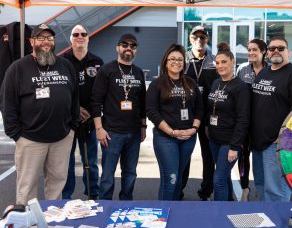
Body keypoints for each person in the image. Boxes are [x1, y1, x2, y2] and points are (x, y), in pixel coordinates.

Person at [0, 23, 79, 205]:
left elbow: (74, 99)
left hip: (61, 138)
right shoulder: (17, 68)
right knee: (27, 189)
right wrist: (16, 134)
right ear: (32, 41)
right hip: (30, 139)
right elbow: (7, 102)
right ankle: (28, 227)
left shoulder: (65, 66)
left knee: (57, 186)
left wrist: (72, 128)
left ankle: (53, 224)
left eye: (50, 38)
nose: (46, 42)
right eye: (41, 38)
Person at [251, 36, 292, 202]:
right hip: (258, 142)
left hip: (277, 143)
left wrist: (284, 136)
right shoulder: (265, 71)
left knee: (276, 191)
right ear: (267, 52)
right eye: (272, 48)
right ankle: (266, 221)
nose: (276, 51)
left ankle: (277, 225)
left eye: (280, 48)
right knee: (261, 185)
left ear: (288, 52)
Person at [91, 33, 146, 200]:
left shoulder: (138, 72)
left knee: (130, 174)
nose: (129, 47)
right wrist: (99, 129)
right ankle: (105, 205)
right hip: (111, 133)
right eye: (125, 44)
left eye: (133, 45)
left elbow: (142, 102)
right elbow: (95, 101)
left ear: (136, 50)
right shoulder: (107, 70)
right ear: (118, 48)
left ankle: (125, 204)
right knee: (107, 176)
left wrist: (143, 127)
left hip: (134, 132)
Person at [146, 44, 203, 200]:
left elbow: (199, 108)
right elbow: (152, 112)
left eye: (180, 59)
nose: (176, 62)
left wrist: (194, 129)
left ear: (184, 63)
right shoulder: (157, 84)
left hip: (188, 138)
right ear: (166, 61)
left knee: (179, 180)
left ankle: (175, 213)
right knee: (170, 179)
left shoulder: (191, 83)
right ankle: (163, 216)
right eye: (172, 59)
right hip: (166, 138)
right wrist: (171, 131)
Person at [62, 24, 104, 200]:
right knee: (66, 163)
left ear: (88, 38)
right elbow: (60, 91)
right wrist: (75, 109)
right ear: (70, 39)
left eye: (83, 34)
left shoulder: (97, 62)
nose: (80, 36)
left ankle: (93, 194)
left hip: (89, 122)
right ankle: (66, 196)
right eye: (76, 34)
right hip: (67, 122)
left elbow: (100, 93)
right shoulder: (62, 61)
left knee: (91, 162)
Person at [207, 44, 250, 201]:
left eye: (224, 62)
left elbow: (243, 119)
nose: (220, 66)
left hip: (230, 141)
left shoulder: (240, 87)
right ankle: (229, 204)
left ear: (233, 62)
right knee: (223, 176)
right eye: (217, 63)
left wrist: (235, 146)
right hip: (214, 139)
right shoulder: (216, 83)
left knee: (218, 181)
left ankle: (218, 213)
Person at [182, 25, 218, 201]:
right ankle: (179, 189)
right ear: (190, 39)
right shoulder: (182, 59)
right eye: (196, 37)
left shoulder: (214, 60)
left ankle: (206, 191)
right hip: (186, 115)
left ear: (207, 39)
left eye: (203, 37)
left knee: (208, 155)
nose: (199, 40)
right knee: (184, 155)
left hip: (208, 116)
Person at [236, 38, 268, 201]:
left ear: (263, 52)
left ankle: (263, 189)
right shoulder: (242, 70)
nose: (251, 53)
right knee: (243, 156)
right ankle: (244, 187)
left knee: (261, 157)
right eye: (249, 50)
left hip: (263, 123)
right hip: (245, 122)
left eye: (254, 50)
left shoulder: (271, 71)